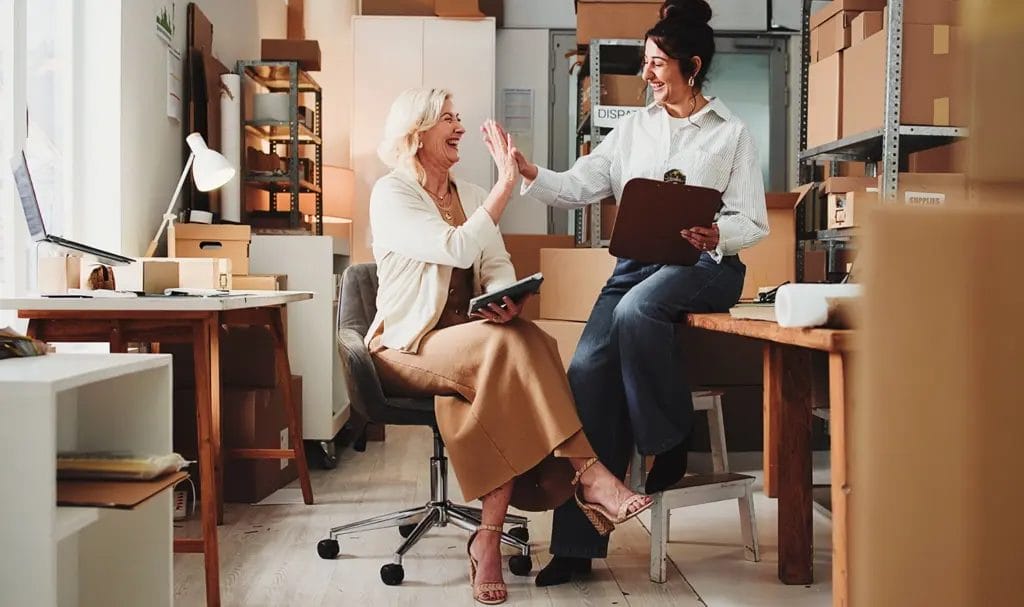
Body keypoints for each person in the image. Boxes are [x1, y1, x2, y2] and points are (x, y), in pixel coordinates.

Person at [497, 0, 771, 587]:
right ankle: (575, 546)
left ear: (690, 66)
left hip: (706, 262)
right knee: (588, 370)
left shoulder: (731, 134)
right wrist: (528, 171)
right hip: (636, 265)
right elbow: (578, 185)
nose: (646, 73)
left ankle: (667, 439)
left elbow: (754, 221)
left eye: (657, 63)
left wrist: (719, 231)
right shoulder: (633, 129)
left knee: (637, 310)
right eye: (645, 62)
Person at [365, 87, 654, 605]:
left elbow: (493, 260)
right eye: (448, 119)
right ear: (417, 132)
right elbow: (452, 246)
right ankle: (589, 473)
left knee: (526, 336)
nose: (460, 127)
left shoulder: (469, 192)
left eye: (459, 116)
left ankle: (488, 540)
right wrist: (506, 184)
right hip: (408, 345)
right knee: (508, 350)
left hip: (471, 338)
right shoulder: (392, 193)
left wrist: (503, 297)